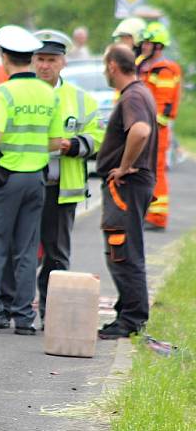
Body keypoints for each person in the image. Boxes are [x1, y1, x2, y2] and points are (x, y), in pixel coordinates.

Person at [0, 25, 63, 335]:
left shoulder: (2, 93)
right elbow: (56, 141)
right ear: (31, 59)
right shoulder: (49, 94)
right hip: (36, 179)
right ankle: (23, 318)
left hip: (5, 179)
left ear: (5, 58)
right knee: (27, 249)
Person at [32, 29, 104, 322]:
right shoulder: (23, 93)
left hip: (61, 187)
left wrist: (72, 144)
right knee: (21, 252)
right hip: (25, 182)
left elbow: (97, 136)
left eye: (51, 59)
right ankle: (19, 311)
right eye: (40, 59)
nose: (44, 65)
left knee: (57, 255)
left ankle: (51, 312)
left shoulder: (81, 99)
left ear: (63, 62)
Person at [97, 44, 158, 339]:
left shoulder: (132, 96)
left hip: (127, 186)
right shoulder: (141, 91)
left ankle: (131, 319)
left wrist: (123, 167)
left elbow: (141, 131)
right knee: (126, 249)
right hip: (136, 185)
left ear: (112, 66)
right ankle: (128, 312)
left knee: (124, 251)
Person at [136, 22, 181, 231]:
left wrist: (152, 127)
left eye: (148, 42)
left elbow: (163, 104)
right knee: (145, 171)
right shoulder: (144, 66)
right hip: (145, 128)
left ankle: (157, 217)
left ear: (159, 46)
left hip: (157, 130)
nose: (144, 46)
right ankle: (148, 211)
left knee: (156, 171)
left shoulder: (165, 70)